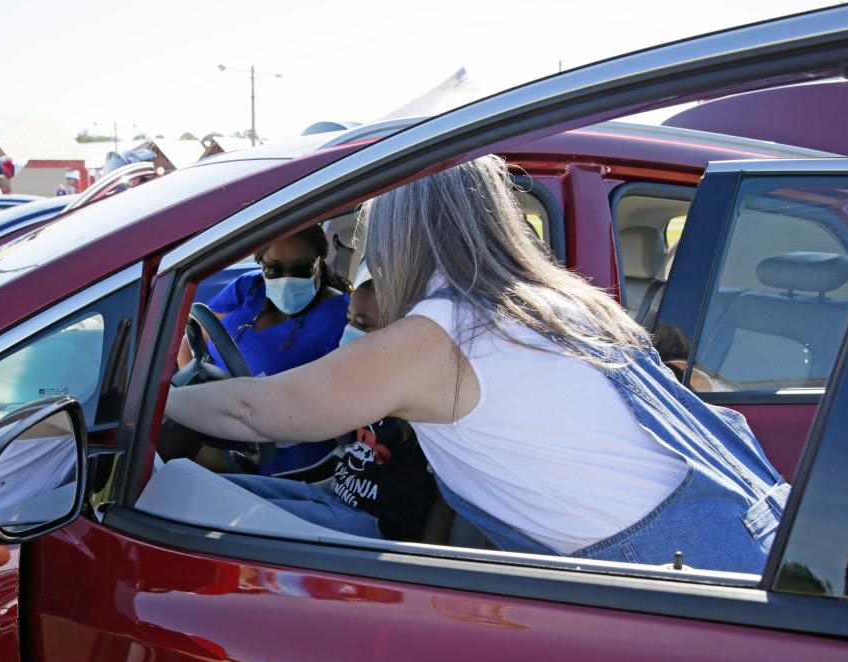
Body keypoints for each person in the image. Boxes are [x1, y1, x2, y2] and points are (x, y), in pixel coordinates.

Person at [165, 156, 788, 572]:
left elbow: (257, 411)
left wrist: (156, 402)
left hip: (662, 570)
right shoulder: (560, 304)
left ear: (398, 238)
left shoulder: (446, 331)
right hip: (739, 549)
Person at [221, 279, 440, 540]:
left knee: (227, 518)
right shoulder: (364, 384)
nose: (349, 331)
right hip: (334, 493)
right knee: (221, 491)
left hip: (371, 523)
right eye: (348, 320)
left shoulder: (422, 407)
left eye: (363, 324)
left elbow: (444, 495)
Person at [176, 224, 350, 473]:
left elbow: (336, 406)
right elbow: (192, 339)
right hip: (210, 417)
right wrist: (192, 392)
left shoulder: (341, 316)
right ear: (261, 265)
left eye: (301, 269)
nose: (286, 278)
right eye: (274, 269)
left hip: (265, 455)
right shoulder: (249, 287)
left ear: (319, 263)